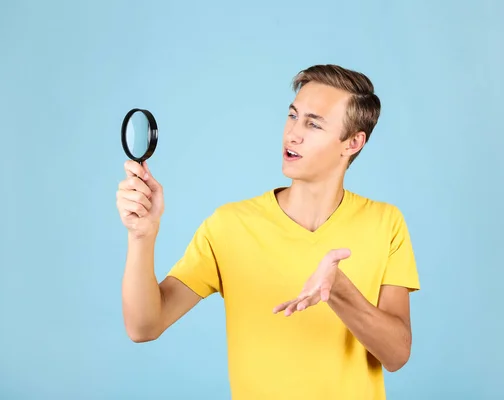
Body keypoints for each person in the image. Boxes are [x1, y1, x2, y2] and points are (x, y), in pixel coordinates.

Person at [116, 64, 420, 399]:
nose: (293, 133)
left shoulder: (386, 223)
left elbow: (396, 355)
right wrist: (142, 236)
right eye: (293, 116)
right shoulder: (229, 226)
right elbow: (143, 326)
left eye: (313, 124)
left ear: (352, 143)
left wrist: (340, 293)